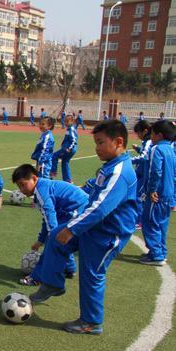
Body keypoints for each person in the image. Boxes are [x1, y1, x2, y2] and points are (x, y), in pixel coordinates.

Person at [29, 120, 138, 335]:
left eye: (100, 142)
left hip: (108, 234)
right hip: (94, 227)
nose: (96, 148)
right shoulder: (109, 166)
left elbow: (100, 208)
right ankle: (53, 283)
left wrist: (72, 229)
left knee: (92, 274)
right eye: (95, 142)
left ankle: (91, 322)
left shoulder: (120, 171)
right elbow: (95, 192)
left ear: (118, 142)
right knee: (55, 237)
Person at [13, 164, 86, 286]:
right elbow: (46, 218)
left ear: (35, 179)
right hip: (69, 210)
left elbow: (50, 215)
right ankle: (69, 269)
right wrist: (40, 240)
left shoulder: (41, 191)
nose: (22, 189)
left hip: (78, 209)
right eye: (19, 186)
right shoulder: (42, 187)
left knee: (53, 241)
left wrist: (51, 238)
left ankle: (37, 277)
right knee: (61, 239)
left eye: (23, 184)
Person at [139, 120, 175, 266]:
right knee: (161, 223)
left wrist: (152, 189)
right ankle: (161, 251)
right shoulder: (171, 150)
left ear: (159, 135)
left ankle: (156, 255)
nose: (150, 136)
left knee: (149, 222)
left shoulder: (156, 149)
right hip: (168, 193)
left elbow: (156, 171)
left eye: (152, 133)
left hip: (157, 194)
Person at [131, 120, 153, 228]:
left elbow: (144, 157)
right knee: (135, 194)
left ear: (145, 131)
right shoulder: (146, 142)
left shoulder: (149, 141)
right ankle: (137, 217)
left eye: (138, 133)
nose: (137, 135)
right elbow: (145, 153)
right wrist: (138, 149)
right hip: (140, 172)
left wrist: (129, 160)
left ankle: (140, 221)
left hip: (144, 174)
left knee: (138, 196)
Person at [51, 114, 78, 183]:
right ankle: (68, 180)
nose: (65, 123)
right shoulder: (69, 129)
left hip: (68, 149)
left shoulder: (71, 129)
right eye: (65, 121)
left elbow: (74, 140)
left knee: (55, 155)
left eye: (67, 121)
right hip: (68, 148)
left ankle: (53, 172)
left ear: (72, 121)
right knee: (65, 162)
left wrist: (69, 148)